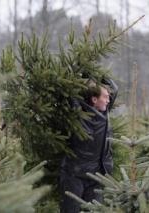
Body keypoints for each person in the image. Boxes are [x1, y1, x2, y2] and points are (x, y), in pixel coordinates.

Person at [59, 78, 118, 213]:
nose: (108, 100)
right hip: (75, 174)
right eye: (105, 97)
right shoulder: (79, 112)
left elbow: (114, 90)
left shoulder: (105, 112)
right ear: (94, 100)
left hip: (95, 176)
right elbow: (70, 90)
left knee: (95, 210)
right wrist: (79, 73)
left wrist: (98, 75)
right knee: (70, 210)